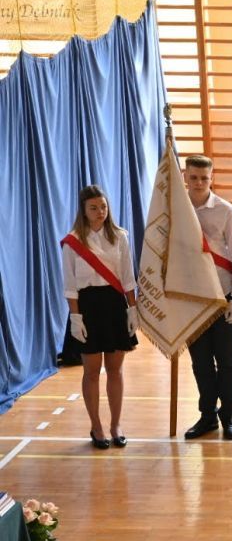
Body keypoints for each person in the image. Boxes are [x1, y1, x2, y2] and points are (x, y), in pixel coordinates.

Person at [60, 185, 138, 450]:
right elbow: (70, 285)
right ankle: (96, 425)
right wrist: (76, 318)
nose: (100, 212)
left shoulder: (120, 237)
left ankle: (116, 424)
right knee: (91, 372)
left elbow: (128, 278)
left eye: (103, 207)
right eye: (93, 208)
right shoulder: (72, 242)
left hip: (115, 306)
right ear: (83, 210)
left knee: (115, 369)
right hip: (88, 307)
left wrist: (132, 309)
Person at [182, 155, 232, 441]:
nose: (198, 183)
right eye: (194, 177)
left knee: (227, 361)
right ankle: (207, 415)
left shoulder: (226, 211)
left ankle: (228, 414)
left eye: (204, 178)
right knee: (200, 363)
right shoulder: (176, 209)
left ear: (212, 178)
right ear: (185, 176)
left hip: (223, 298)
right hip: (192, 299)